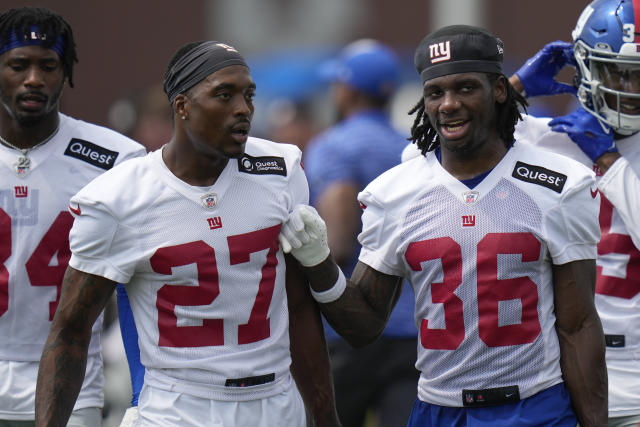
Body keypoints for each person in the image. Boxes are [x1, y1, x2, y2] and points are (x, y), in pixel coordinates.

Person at [279, 25, 608, 426]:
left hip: (535, 406)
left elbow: (579, 325)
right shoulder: (397, 191)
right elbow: (363, 326)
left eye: (466, 88)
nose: (448, 104)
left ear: (500, 90)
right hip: (439, 409)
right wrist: (319, 263)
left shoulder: (558, 183)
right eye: (435, 93)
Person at [34, 40, 340, 427]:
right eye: (224, 95)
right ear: (182, 106)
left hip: (276, 404)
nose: (243, 108)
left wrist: (327, 416)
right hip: (179, 410)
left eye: (248, 95)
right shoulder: (120, 198)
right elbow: (71, 331)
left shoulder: (280, 171)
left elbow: (298, 308)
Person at [0, 7, 146, 427]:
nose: (33, 78)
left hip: (69, 378)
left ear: (66, 72)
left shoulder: (115, 159)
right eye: (18, 65)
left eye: (48, 65)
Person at [509, 0, 640, 425]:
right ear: (583, 67)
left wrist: (609, 162)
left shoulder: (587, 147)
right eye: (616, 73)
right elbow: (420, 160)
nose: (629, 89)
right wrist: (510, 92)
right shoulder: (546, 137)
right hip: (554, 374)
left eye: (639, 76)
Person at [303, 39, 418, 427]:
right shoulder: (412, 148)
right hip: (413, 330)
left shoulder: (335, 146)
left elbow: (335, 244)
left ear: (347, 89)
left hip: (352, 326)